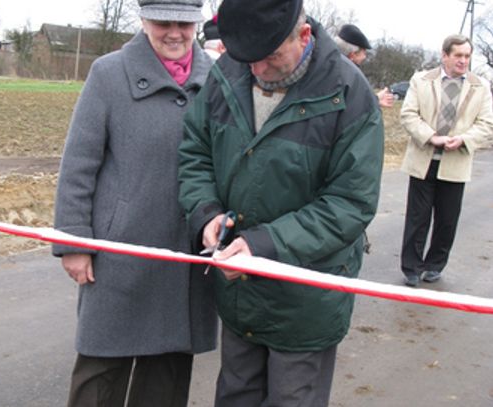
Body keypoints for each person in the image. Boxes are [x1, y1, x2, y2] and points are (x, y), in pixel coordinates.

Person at [178, 0, 384, 405]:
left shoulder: (350, 96)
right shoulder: (228, 72)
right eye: (246, 58)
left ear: (303, 36)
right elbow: (195, 152)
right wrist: (205, 213)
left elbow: (350, 203)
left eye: (270, 56)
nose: (256, 70)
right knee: (235, 395)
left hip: (305, 302)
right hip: (239, 297)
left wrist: (264, 245)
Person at [52, 1, 217, 406]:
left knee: (166, 373)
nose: (175, 33)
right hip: (118, 254)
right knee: (100, 371)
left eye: (185, 23)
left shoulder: (217, 78)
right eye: (163, 22)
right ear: (142, 20)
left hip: (186, 253)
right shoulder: (108, 74)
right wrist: (75, 242)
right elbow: (79, 164)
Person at [399, 34, 493, 287]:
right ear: (445, 55)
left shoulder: (480, 86)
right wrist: (431, 137)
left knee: (447, 219)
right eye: (458, 55)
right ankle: (411, 267)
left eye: (467, 56)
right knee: (417, 218)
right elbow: (408, 115)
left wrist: (463, 139)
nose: (463, 61)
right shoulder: (421, 80)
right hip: (423, 159)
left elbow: (486, 124)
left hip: (456, 163)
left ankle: (434, 265)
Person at [335, 23, 395, 108]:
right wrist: (375, 100)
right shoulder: (346, 77)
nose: (364, 57)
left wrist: (376, 100)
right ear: (352, 55)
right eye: (363, 53)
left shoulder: (332, 69)